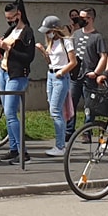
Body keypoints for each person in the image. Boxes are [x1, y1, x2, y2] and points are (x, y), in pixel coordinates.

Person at [0, 2, 36, 164]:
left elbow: (28, 57)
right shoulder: (11, 30)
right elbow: (3, 51)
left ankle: (23, 151)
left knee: (11, 113)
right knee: (7, 112)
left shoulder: (27, 32)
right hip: (4, 72)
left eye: (11, 17)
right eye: (7, 18)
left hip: (17, 75)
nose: (9, 21)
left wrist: (9, 48)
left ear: (19, 15)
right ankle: (13, 149)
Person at [41, 15, 76, 157]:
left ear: (55, 29)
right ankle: (60, 144)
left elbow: (73, 62)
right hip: (51, 74)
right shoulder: (51, 42)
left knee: (55, 111)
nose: (47, 33)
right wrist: (43, 51)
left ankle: (60, 146)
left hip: (60, 76)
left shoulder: (66, 41)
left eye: (49, 31)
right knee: (55, 109)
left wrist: (62, 71)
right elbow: (51, 60)